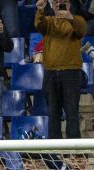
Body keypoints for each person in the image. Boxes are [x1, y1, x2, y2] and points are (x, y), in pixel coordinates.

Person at [35, 0, 86, 139]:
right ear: (52, 5)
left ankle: (74, 151)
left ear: (69, 4)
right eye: (56, 2)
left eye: (63, 2)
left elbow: (81, 31)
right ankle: (55, 153)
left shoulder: (78, 20)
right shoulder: (49, 21)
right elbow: (39, 25)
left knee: (72, 113)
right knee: (53, 114)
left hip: (72, 72)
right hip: (51, 72)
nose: (59, 5)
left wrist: (69, 17)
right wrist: (40, 10)